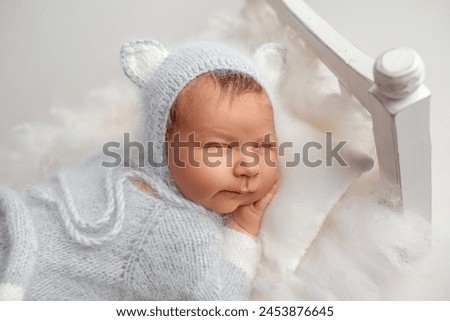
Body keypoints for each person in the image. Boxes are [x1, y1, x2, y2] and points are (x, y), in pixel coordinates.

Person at [0, 39, 285, 300]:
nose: (249, 166)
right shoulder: (181, 234)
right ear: (163, 146)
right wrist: (243, 232)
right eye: (217, 149)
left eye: (264, 147)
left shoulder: (115, 160)